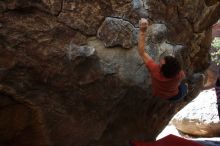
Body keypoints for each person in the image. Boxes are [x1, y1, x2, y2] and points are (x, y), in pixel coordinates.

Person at [138, 18, 187, 101]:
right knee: (184, 86)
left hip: (160, 93)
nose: (160, 60)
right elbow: (182, 76)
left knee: (182, 86)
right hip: (174, 95)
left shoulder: (154, 70)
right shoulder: (179, 75)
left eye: (161, 62)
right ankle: (186, 88)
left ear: (161, 69)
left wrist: (142, 31)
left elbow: (142, 52)